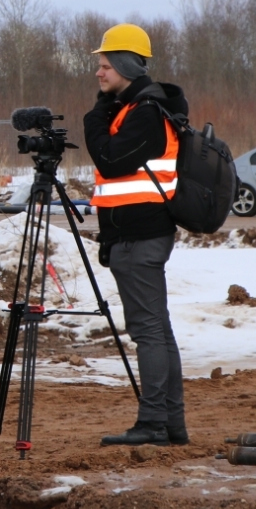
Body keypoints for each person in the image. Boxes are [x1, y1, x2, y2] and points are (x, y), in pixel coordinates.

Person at [83, 25, 189, 446]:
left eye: (106, 65)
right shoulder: (135, 108)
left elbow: (110, 162)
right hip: (136, 234)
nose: (99, 73)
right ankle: (171, 423)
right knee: (157, 328)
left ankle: (153, 423)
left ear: (127, 64)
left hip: (141, 235)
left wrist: (96, 117)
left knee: (148, 330)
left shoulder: (146, 111)